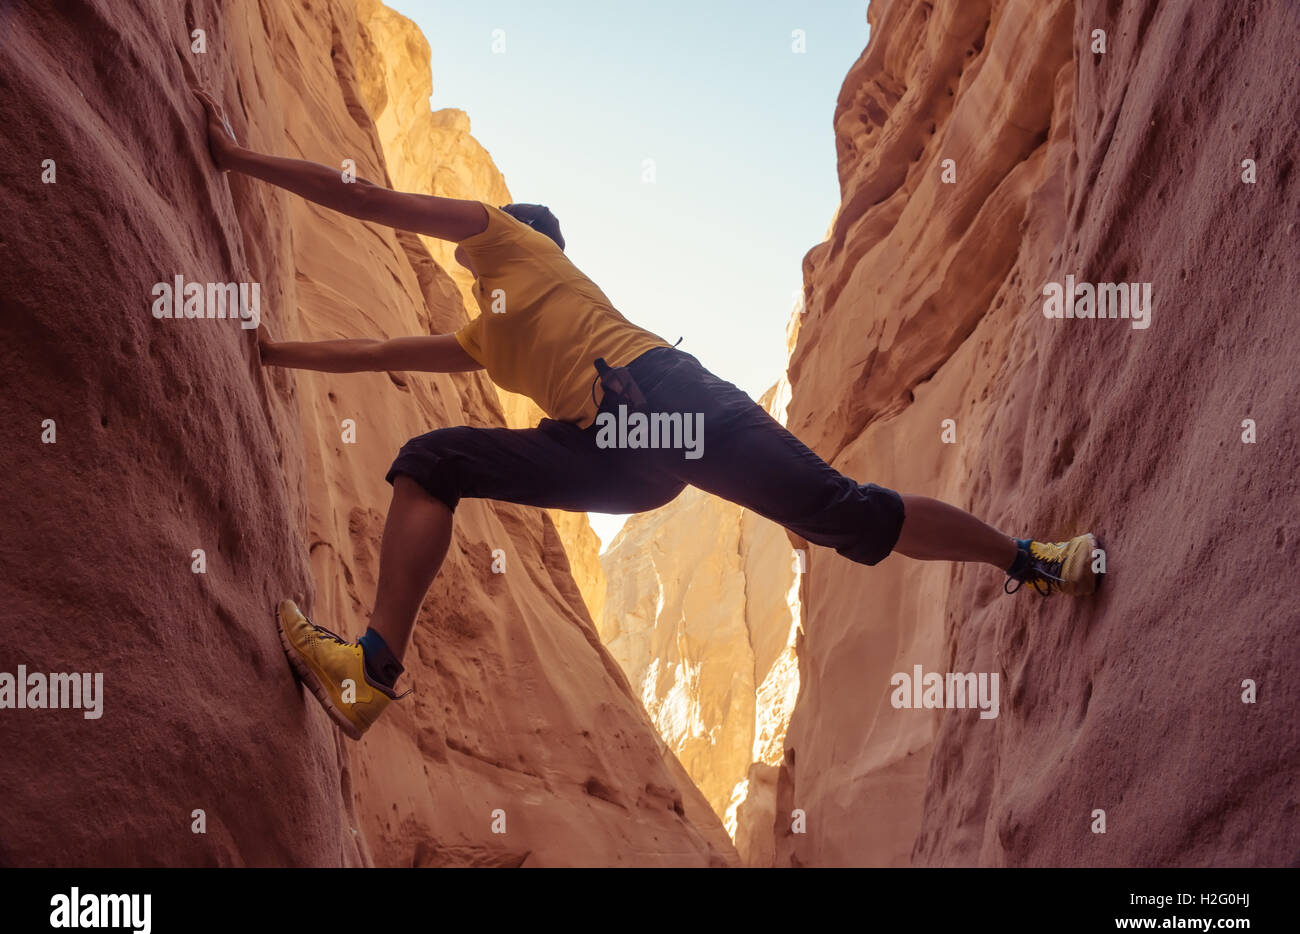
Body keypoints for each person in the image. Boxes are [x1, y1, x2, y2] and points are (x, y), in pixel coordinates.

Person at [192, 89, 1100, 740]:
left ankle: (1028, 557)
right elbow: (380, 354)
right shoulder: (485, 337)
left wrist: (237, 158)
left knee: (846, 512)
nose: (475, 238)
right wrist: (271, 350)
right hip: (618, 453)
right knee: (434, 458)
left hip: (662, 404)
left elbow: (363, 198)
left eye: (494, 226)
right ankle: (369, 673)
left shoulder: (512, 243)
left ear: (518, 231)